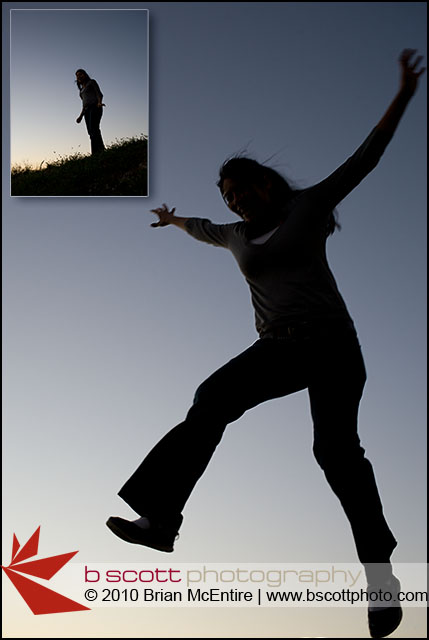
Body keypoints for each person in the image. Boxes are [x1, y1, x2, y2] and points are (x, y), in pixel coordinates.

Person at [107, 50, 425, 638]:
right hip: (276, 347)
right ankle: (160, 518)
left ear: (263, 184)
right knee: (211, 399)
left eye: (240, 190)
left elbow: (366, 159)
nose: (234, 201)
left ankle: (380, 581)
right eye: (227, 195)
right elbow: (199, 227)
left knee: (334, 452)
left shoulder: (307, 207)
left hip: (332, 347)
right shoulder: (231, 234)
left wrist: (403, 94)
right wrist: (172, 220)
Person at [75, 69, 105, 154]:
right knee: (90, 132)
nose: (79, 76)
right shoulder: (81, 92)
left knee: (94, 129)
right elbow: (84, 104)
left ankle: (97, 152)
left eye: (81, 74)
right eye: (77, 75)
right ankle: (99, 151)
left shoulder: (92, 82)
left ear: (85, 75)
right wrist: (80, 116)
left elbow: (99, 93)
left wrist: (99, 102)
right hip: (86, 111)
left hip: (95, 107)